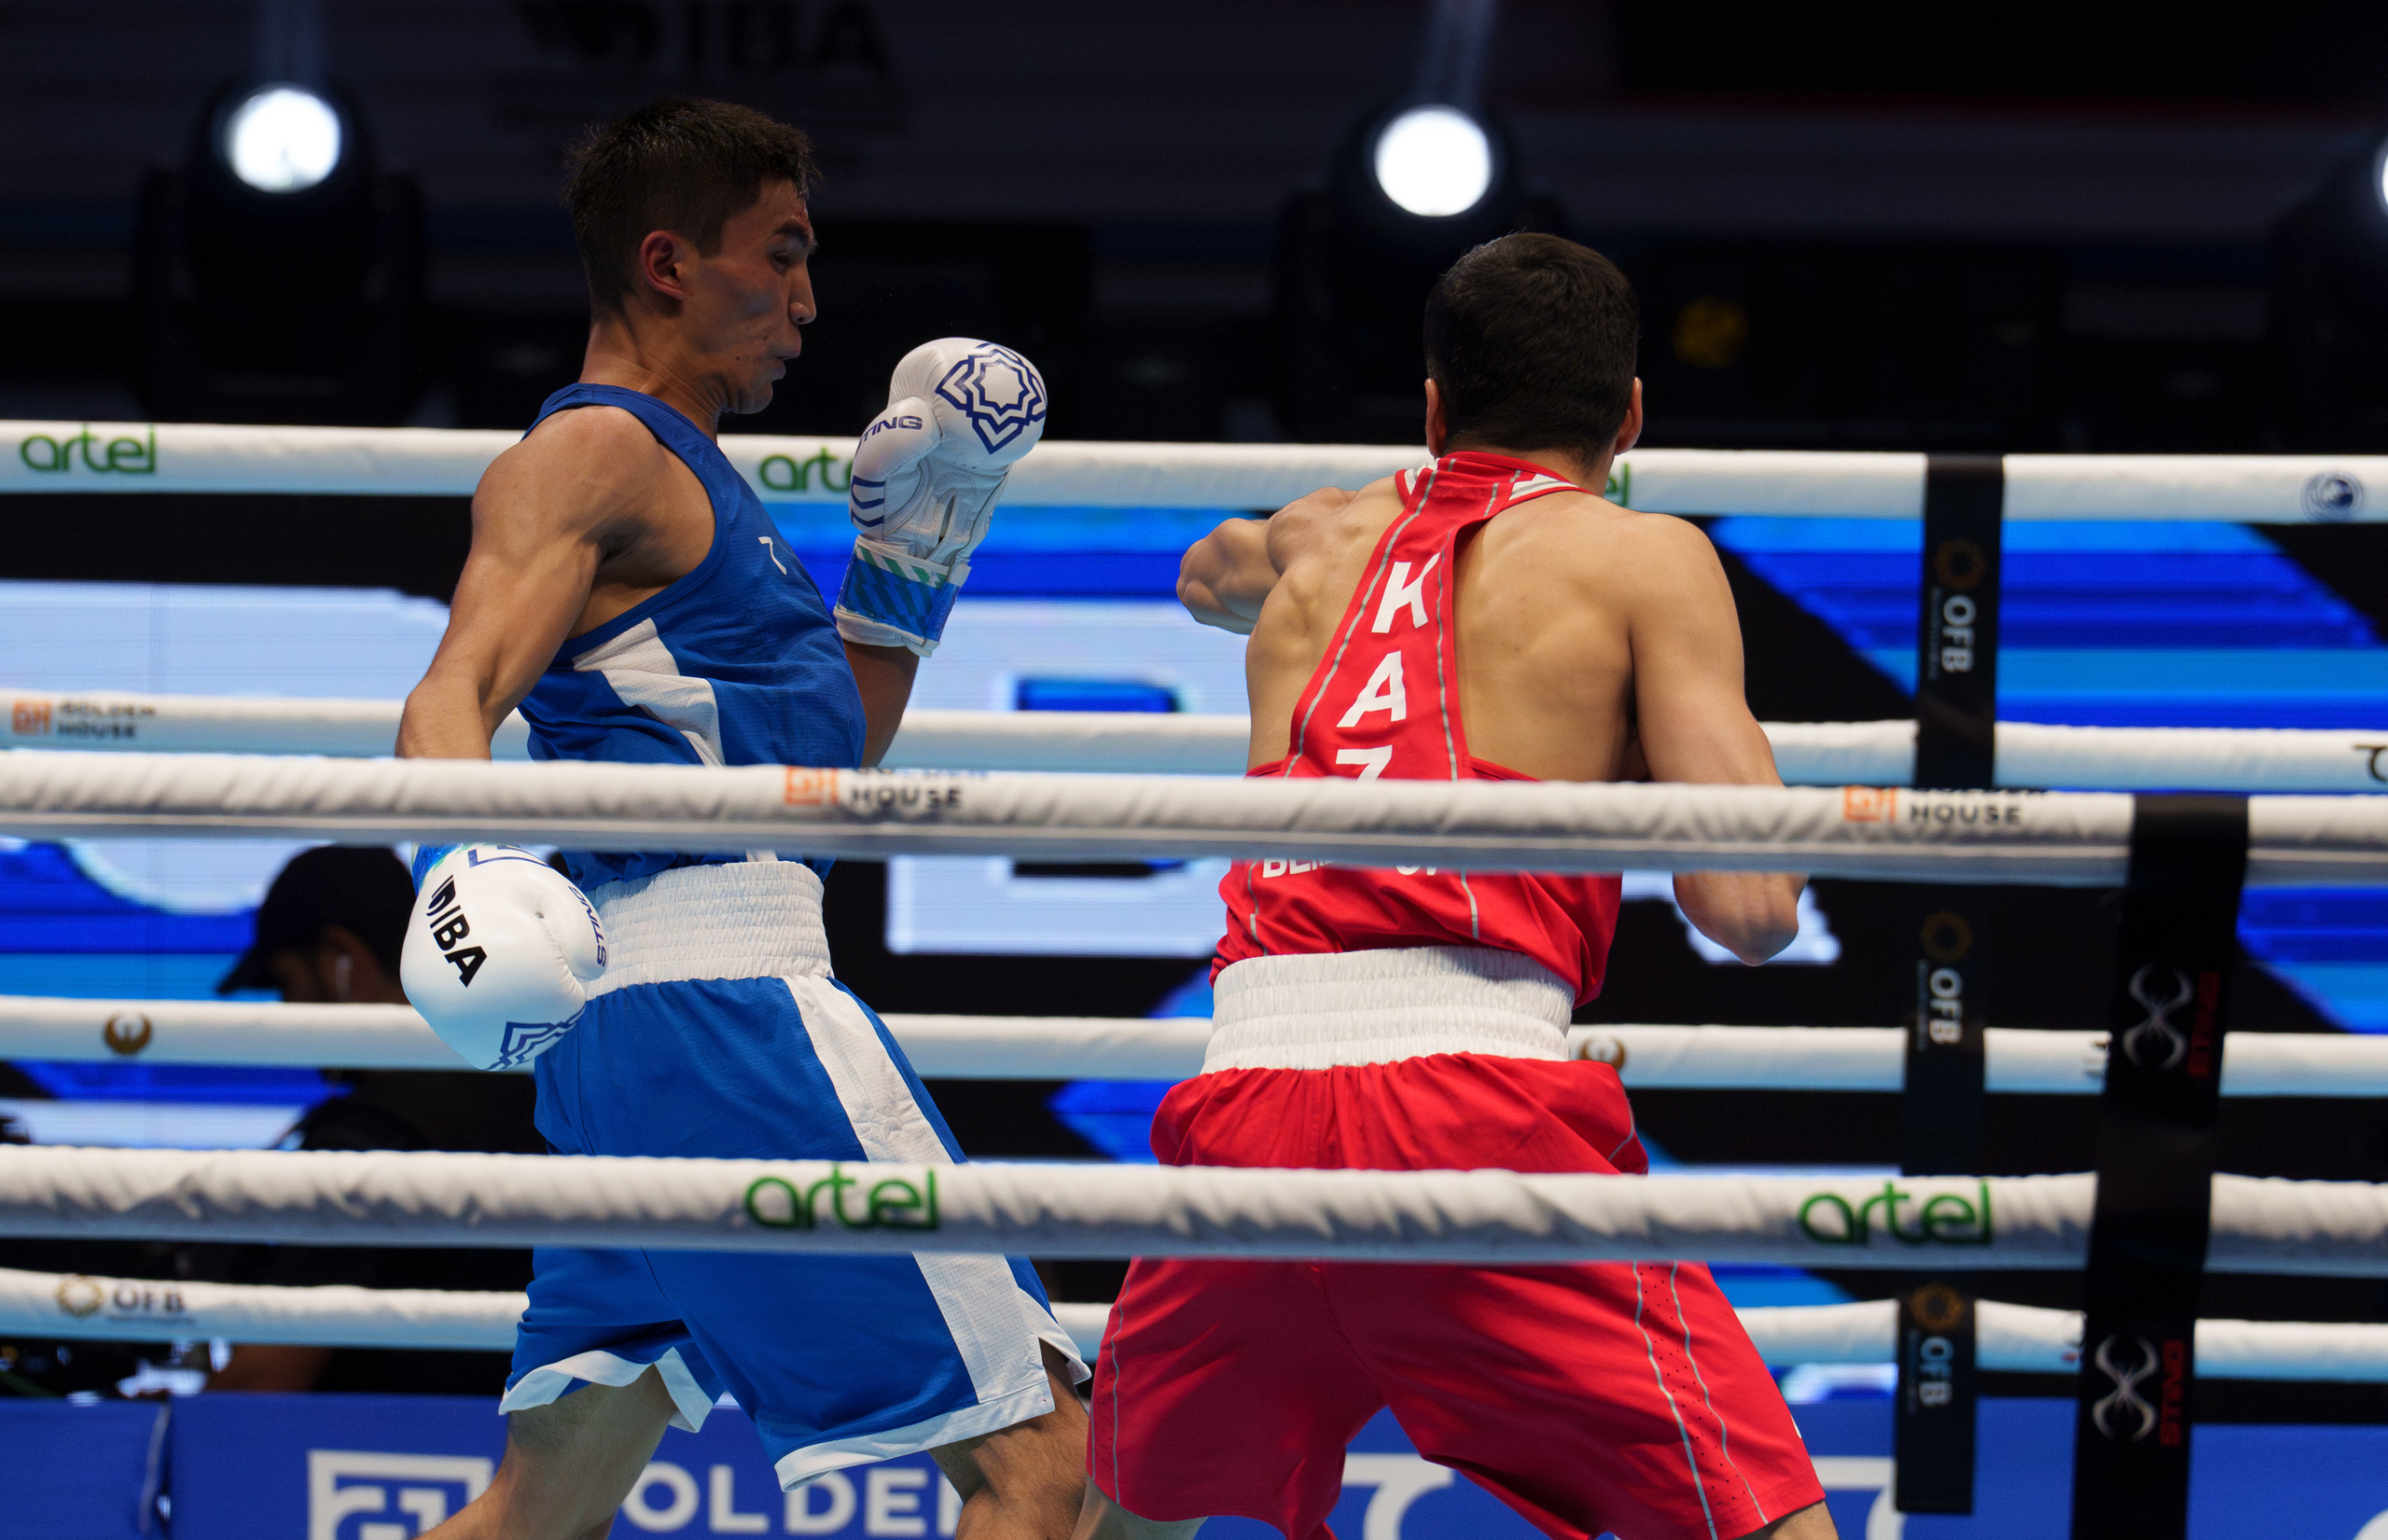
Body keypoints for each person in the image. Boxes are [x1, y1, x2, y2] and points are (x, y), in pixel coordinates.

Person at [392, 98, 1087, 1540]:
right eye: (777, 256)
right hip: (734, 1020)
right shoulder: (594, 456)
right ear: (666, 262)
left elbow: (815, 764)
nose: (806, 301)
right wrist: (456, 877)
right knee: (1049, 1467)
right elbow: (451, 691)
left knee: (540, 1500)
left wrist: (910, 559)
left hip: (637, 1040)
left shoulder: (700, 492)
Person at [1080, 234, 1835, 1540]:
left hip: (1244, 1112)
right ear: (1632, 413)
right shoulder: (1646, 558)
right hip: (1476, 1114)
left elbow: (1207, 573)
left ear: (1433, 405)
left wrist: (1365, 527)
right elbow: (1753, 910)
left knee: (1133, 1518)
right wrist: (1634, 749)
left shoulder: (1316, 538)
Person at [204, 844, 546, 1396]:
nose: (288, 1016)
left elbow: (268, 1375)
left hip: (366, 1466)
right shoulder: (533, 1098)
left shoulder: (368, 1138)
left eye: (287, 983)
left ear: (344, 961)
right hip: (531, 1460)